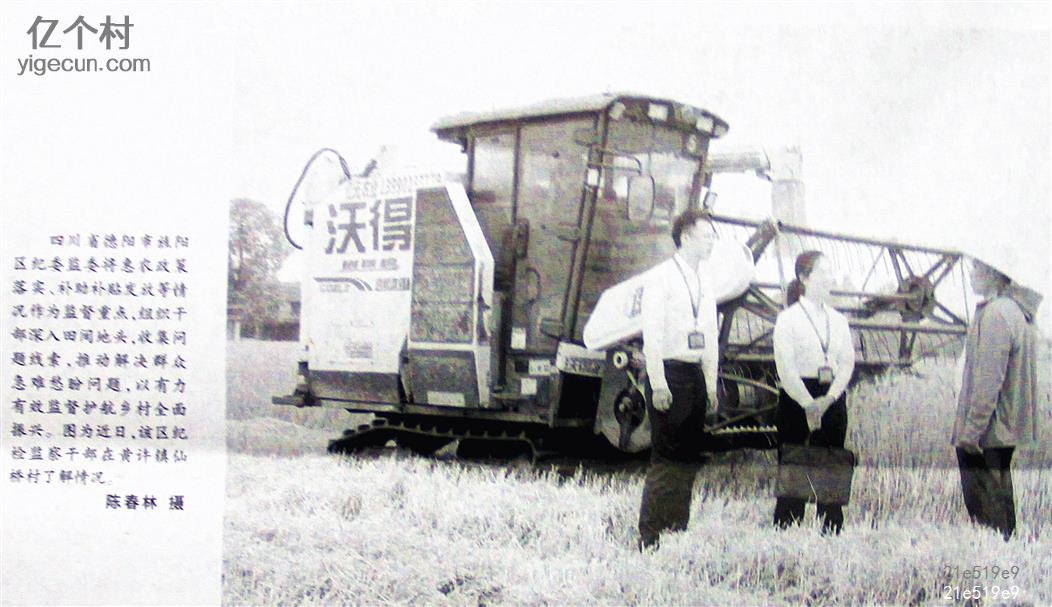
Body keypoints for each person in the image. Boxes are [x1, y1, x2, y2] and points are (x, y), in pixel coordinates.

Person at [637, 208, 721, 551]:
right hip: (669, 375)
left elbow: (711, 337)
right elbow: (652, 335)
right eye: (706, 236)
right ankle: (650, 537)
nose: (712, 243)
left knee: (687, 459)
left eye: (713, 237)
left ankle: (677, 531)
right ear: (685, 238)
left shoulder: (705, 281)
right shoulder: (661, 278)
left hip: (695, 376)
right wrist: (658, 383)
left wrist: (711, 384)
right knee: (666, 459)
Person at [951, 258, 1040, 541]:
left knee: (987, 515)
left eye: (975, 268)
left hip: (987, 430)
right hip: (1003, 428)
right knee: (1000, 503)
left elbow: (988, 382)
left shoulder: (996, 315)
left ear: (992, 272)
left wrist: (970, 433)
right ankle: (1006, 553)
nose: (971, 275)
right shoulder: (1015, 311)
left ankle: (994, 558)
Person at [772, 250, 855, 534]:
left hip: (832, 397)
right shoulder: (788, 319)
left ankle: (831, 529)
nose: (829, 278)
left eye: (830, 273)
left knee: (832, 464)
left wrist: (829, 398)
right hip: (797, 397)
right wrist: (809, 404)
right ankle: (787, 530)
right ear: (804, 278)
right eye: (822, 272)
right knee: (794, 464)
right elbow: (786, 368)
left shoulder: (839, 320)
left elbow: (847, 363)